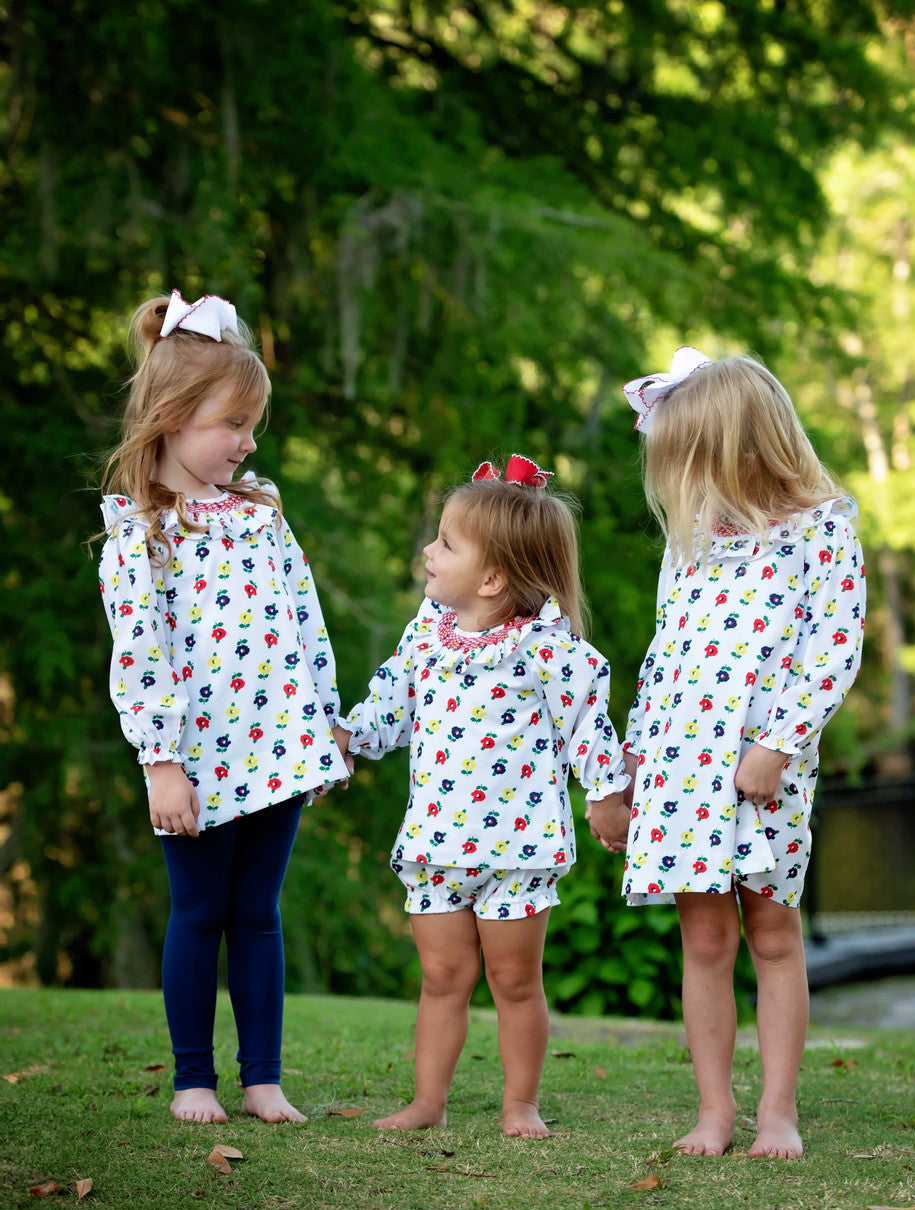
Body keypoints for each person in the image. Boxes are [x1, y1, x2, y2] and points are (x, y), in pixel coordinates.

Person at [97, 289, 351, 1125]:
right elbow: (142, 654)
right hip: (197, 757)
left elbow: (303, 619)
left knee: (258, 914)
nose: (245, 443)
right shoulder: (142, 532)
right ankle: (193, 1079)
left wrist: (325, 726)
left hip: (279, 744)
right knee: (201, 912)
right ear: (170, 417)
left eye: (253, 426)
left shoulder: (260, 513)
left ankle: (264, 1078)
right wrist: (160, 762)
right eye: (231, 424)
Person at [334, 456, 631, 1138]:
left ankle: (519, 1103)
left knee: (514, 981)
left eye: (445, 544)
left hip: (517, 851)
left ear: (493, 577)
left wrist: (606, 796)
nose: (428, 552)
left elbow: (590, 726)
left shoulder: (546, 650)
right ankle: (427, 1102)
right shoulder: (424, 637)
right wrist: (344, 739)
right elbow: (388, 707)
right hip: (437, 843)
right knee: (442, 974)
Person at [619, 347, 866, 1158]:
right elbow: (665, 653)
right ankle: (715, 1109)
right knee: (706, 941)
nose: (687, 484)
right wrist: (628, 763)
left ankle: (779, 1111)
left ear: (746, 449)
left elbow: (832, 650)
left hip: (765, 770)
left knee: (773, 934)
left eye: (695, 463)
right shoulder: (690, 544)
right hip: (678, 765)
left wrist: (779, 743)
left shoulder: (823, 529)